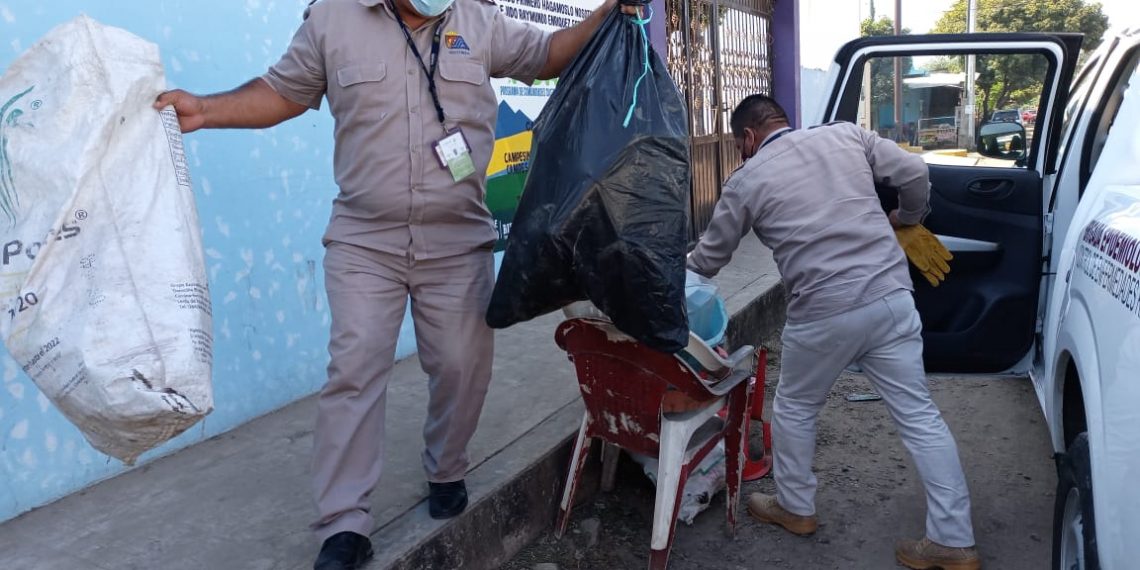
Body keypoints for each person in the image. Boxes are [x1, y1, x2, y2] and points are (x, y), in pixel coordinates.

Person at [155, 0, 637, 567]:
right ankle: (344, 522)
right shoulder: (333, 20)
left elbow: (546, 54)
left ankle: (446, 466)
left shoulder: (477, 21)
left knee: (462, 365)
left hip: (458, 239)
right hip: (366, 239)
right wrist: (206, 111)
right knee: (355, 369)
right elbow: (282, 92)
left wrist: (606, 13)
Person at [686, 94, 980, 570]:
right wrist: (907, 219)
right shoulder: (845, 134)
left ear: (747, 137)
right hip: (890, 297)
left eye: (741, 145)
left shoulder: (746, 179)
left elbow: (707, 261)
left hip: (821, 312)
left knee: (797, 407)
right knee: (919, 416)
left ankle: (797, 508)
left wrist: (671, 271)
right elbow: (914, 173)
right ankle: (953, 539)